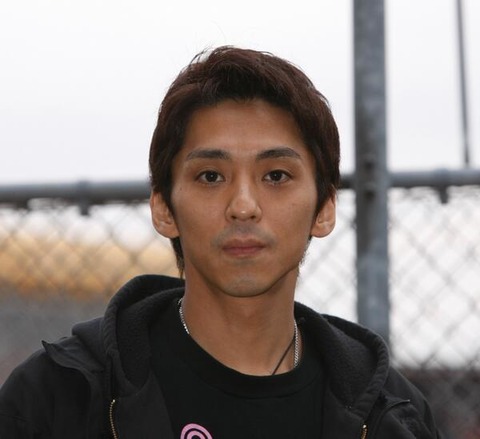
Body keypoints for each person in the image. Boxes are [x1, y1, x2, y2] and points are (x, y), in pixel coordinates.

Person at [0, 46, 441, 438]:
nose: (243, 206)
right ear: (163, 208)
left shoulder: (394, 417)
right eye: (211, 176)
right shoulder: (58, 398)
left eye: (276, 176)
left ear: (324, 208)